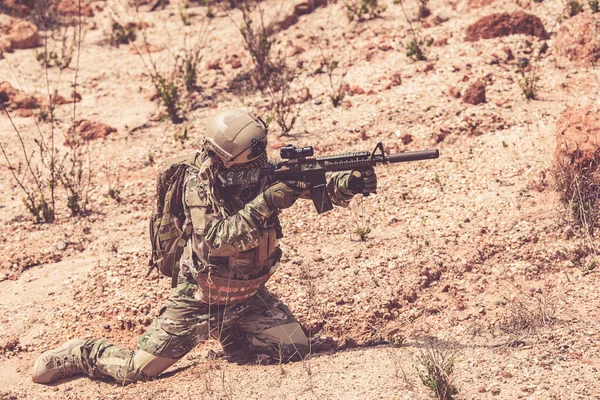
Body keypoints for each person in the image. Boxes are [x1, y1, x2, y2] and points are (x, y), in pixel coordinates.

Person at [32, 110, 377, 385]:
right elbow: (219, 241)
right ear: (229, 158)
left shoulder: (258, 173)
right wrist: (268, 202)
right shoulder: (200, 186)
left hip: (247, 293)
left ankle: (230, 331)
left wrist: (350, 184)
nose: (262, 165)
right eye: (252, 160)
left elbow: (314, 189)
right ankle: (82, 353)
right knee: (139, 370)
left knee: (294, 348)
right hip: (201, 296)